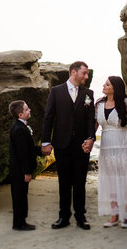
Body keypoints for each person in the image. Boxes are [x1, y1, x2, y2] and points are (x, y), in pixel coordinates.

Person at [41, 61, 95, 230]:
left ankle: (81, 217)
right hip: (62, 144)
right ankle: (63, 217)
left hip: (81, 146)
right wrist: (45, 141)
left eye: (87, 74)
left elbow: (90, 119)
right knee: (63, 183)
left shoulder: (88, 93)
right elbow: (49, 117)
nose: (86, 76)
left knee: (80, 183)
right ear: (73, 72)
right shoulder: (56, 92)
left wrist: (91, 138)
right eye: (84, 73)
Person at [91, 76, 127, 228]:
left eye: (107, 84)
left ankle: (126, 216)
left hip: (124, 145)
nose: (104, 85)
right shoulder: (99, 104)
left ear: (115, 88)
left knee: (125, 180)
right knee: (111, 180)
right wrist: (89, 140)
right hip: (107, 148)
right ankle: (114, 216)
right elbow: (95, 126)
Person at [8, 100, 42, 231]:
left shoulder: (20, 126)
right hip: (19, 171)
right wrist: (27, 172)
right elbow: (22, 153)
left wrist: (41, 151)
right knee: (19, 197)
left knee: (21, 195)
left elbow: (29, 148)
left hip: (19, 170)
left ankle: (21, 221)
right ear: (20, 114)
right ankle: (18, 223)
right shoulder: (20, 129)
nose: (30, 110)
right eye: (27, 109)